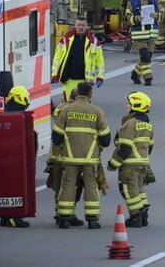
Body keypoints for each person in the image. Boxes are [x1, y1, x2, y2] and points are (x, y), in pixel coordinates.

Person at [52, 82, 111, 229]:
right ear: (90, 94)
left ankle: (64, 218)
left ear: (77, 93)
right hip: (90, 158)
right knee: (91, 185)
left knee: (68, 185)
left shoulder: (66, 110)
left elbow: (57, 136)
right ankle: (92, 220)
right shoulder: (97, 111)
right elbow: (106, 138)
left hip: (70, 157)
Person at [107, 91, 154, 228]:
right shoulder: (148, 125)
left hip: (130, 164)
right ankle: (143, 214)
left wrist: (113, 164)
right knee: (138, 188)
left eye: (129, 103)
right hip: (142, 163)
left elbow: (125, 147)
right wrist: (145, 161)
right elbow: (150, 146)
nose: (126, 105)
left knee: (128, 189)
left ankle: (135, 217)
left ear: (136, 104)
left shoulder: (130, 124)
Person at [0, 85, 34, 228]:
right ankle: (14, 217)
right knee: (16, 188)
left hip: (4, 160)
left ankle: (5, 217)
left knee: (6, 187)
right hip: (14, 159)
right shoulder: (17, 117)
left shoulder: (6, 113)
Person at [52, 16, 106, 101]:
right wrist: (55, 75)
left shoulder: (94, 43)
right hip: (69, 79)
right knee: (69, 103)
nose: (81, 27)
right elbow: (57, 59)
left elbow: (100, 62)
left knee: (84, 104)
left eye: (83, 25)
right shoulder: (66, 40)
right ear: (75, 26)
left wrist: (100, 77)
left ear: (86, 26)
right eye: (79, 25)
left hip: (85, 80)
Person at [126, 0, 159, 85]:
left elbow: (162, 13)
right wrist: (136, 18)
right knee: (144, 55)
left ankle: (135, 74)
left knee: (147, 57)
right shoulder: (133, 1)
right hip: (138, 35)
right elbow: (127, 16)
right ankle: (148, 78)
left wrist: (157, 15)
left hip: (151, 34)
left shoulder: (155, 0)